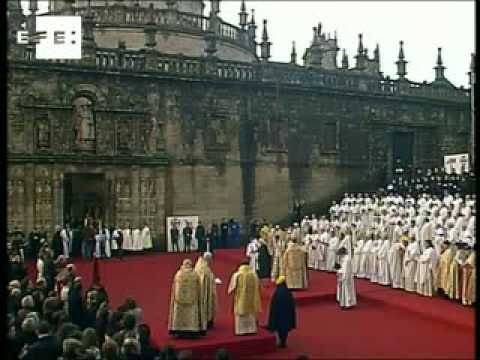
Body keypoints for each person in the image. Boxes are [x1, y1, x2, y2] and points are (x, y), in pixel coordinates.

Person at [168, 259, 204, 338]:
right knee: (192, 314)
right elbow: (199, 289)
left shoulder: (178, 274)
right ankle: (192, 329)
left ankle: (178, 329)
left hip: (179, 301)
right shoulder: (195, 274)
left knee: (179, 312)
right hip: (192, 301)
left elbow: (174, 289)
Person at [228, 259, 262, 335]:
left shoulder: (237, 275)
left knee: (241, 314)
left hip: (241, 299)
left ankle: (241, 331)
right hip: (252, 300)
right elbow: (259, 287)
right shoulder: (254, 275)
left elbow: (232, 288)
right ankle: (251, 330)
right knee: (250, 315)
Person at [267, 276, 296, 348]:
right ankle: (284, 342)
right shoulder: (288, 292)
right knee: (285, 330)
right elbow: (292, 305)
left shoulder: (277, 293)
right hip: (287, 315)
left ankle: (281, 341)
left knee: (280, 329)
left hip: (279, 315)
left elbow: (273, 306)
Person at [194, 252, 217, 329]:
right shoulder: (204, 268)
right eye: (210, 260)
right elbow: (205, 277)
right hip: (204, 291)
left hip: (204, 289)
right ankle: (206, 321)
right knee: (206, 304)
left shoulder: (199, 265)